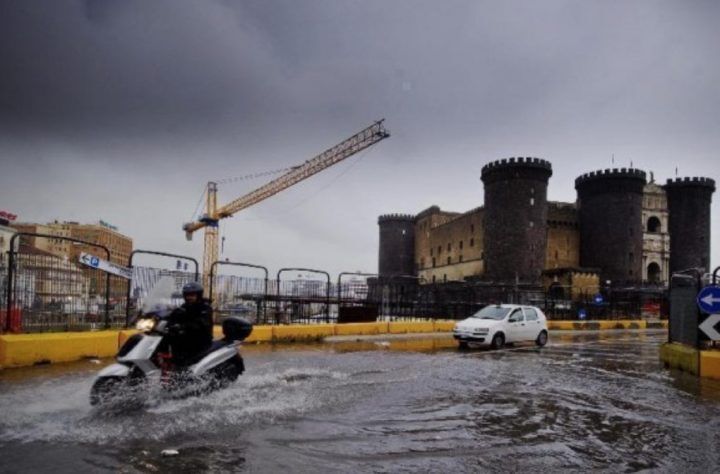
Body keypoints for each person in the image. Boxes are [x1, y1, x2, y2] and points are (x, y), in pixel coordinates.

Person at [166, 281, 214, 367]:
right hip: (186, 336)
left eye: (192, 295)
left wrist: (183, 326)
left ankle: (183, 370)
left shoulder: (205, 307)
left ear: (198, 295)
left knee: (182, 349)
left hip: (200, 339)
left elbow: (202, 323)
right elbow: (174, 315)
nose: (189, 297)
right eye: (187, 295)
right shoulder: (184, 306)